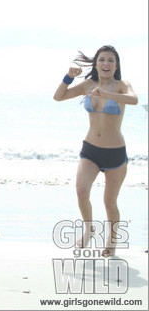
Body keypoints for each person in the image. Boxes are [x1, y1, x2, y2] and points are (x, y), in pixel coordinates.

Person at [53, 45, 138, 257]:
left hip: (115, 153)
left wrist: (108, 93)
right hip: (90, 150)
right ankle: (89, 229)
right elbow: (58, 97)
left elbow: (134, 100)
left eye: (111, 60)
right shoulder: (88, 85)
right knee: (81, 191)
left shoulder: (121, 85)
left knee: (109, 202)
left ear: (116, 65)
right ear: (96, 64)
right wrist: (68, 77)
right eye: (102, 60)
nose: (106, 64)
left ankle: (112, 241)